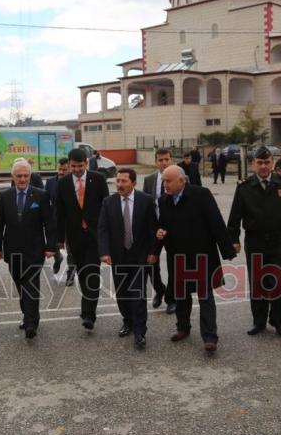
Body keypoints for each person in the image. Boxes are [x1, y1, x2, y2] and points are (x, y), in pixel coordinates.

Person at [156, 165, 235, 352]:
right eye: (164, 181)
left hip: (202, 256)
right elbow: (163, 227)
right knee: (182, 295)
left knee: (205, 296)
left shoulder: (201, 194)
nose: (164, 184)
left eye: (168, 181)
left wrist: (227, 250)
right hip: (178, 256)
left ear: (182, 181)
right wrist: (157, 241)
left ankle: (210, 337)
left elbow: (216, 221)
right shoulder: (163, 201)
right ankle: (183, 328)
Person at [228, 147, 281, 339]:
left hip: (279, 242)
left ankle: (277, 321)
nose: (263, 166)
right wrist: (234, 239)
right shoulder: (244, 188)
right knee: (258, 283)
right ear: (253, 164)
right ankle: (259, 321)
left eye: (267, 162)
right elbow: (235, 217)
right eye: (259, 163)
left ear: (272, 163)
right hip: (255, 242)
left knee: (279, 281)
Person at [0, 160, 56, 339]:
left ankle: (31, 322)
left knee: (31, 286)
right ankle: (27, 314)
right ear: (13, 177)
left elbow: (49, 223)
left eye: (25, 176)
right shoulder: (5, 196)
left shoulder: (41, 195)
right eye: (19, 176)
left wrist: (51, 246)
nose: (22, 179)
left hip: (34, 250)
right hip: (12, 250)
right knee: (20, 286)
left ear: (30, 176)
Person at [98, 168, 157, 350]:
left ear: (133, 183)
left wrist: (153, 251)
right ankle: (128, 321)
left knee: (138, 295)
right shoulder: (109, 202)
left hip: (139, 255)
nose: (120, 185)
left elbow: (152, 228)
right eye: (118, 181)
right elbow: (102, 229)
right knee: (122, 294)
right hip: (118, 256)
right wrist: (104, 252)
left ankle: (140, 333)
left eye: (124, 181)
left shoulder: (145, 201)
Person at [56, 148, 110, 331]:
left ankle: (89, 314)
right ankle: (86, 306)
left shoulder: (98, 179)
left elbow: (106, 207)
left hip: (95, 236)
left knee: (92, 274)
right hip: (75, 238)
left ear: (86, 164)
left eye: (80, 166)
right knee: (82, 273)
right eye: (73, 166)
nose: (77, 169)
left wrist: (108, 234)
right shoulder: (62, 184)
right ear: (68, 165)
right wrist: (59, 239)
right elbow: (59, 213)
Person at [142, 148, 174, 313]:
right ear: (156, 161)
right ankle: (160, 290)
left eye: (166, 159)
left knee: (173, 263)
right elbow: (145, 205)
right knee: (150, 263)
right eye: (160, 160)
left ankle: (171, 298)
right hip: (154, 228)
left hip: (173, 229)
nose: (164, 163)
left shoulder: (182, 178)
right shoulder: (149, 180)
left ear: (171, 160)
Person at [45, 157, 70, 275]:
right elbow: (45, 201)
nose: (61, 172)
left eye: (64, 170)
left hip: (70, 221)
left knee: (71, 249)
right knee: (54, 245)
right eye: (59, 169)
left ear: (69, 169)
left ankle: (71, 271)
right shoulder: (50, 182)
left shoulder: (73, 182)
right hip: (54, 221)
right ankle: (58, 258)